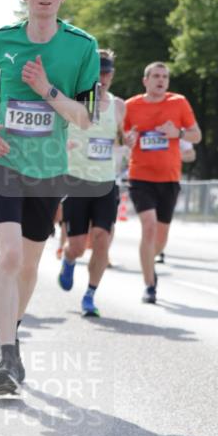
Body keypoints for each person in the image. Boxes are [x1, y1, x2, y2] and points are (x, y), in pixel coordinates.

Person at [0, 0, 100, 395]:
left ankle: (11, 330)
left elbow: (84, 118)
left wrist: (46, 89)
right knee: (8, 257)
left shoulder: (82, 46)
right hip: (4, 160)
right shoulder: (2, 40)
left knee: (29, 264)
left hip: (50, 168)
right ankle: (6, 354)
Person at [124, 61, 201, 303]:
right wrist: (127, 139)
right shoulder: (130, 106)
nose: (161, 80)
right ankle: (149, 285)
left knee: (160, 238)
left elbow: (196, 135)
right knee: (148, 226)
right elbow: (121, 138)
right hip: (140, 177)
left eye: (164, 77)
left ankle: (149, 262)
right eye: (156, 76)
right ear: (145, 80)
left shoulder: (178, 102)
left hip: (169, 178)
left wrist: (177, 134)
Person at [57, 50, 126, 317]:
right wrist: (63, 144)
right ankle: (69, 259)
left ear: (112, 74)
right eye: (98, 72)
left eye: (107, 72)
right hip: (76, 180)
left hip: (106, 183)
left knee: (102, 241)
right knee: (76, 245)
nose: (102, 77)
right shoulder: (74, 100)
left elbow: (119, 139)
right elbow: (54, 133)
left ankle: (90, 294)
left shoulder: (119, 105)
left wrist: (125, 141)